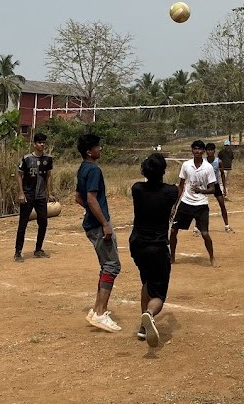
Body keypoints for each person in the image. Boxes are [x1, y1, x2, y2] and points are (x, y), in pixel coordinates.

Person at [130, 154, 179, 347]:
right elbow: (175, 194)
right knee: (158, 294)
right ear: (163, 171)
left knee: (147, 281)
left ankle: (143, 328)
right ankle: (149, 314)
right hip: (157, 247)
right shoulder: (171, 192)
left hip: (137, 245)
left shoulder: (137, 189)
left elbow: (146, 185)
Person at [75, 133, 122, 333]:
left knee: (106, 265)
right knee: (112, 265)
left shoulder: (83, 168)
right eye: (97, 147)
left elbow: (78, 197)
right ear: (89, 151)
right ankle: (101, 313)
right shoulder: (94, 170)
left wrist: (91, 213)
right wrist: (104, 222)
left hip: (91, 222)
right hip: (97, 224)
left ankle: (96, 310)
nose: (100, 149)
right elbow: (90, 198)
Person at [170, 140, 219, 267]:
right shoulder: (186, 165)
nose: (197, 151)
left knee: (205, 234)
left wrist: (201, 191)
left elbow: (213, 189)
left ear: (203, 151)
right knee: (174, 230)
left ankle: (212, 257)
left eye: (199, 149)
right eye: (195, 148)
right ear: (192, 150)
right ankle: (172, 257)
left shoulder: (208, 168)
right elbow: (181, 186)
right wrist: (175, 205)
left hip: (201, 205)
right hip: (186, 202)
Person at [14, 133, 54, 262]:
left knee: (43, 222)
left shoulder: (48, 159)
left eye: (43, 143)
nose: (42, 145)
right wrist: (21, 192)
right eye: (39, 142)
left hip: (40, 196)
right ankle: (18, 252)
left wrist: (50, 193)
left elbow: (48, 176)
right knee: (23, 223)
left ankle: (38, 249)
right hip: (28, 194)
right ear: (34, 144)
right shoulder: (26, 159)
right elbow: (19, 175)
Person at [205, 142, 234, 233]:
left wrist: (224, 187)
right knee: (201, 206)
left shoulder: (218, 161)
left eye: (212, 150)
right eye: (208, 150)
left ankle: (227, 225)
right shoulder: (203, 161)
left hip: (215, 185)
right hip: (205, 185)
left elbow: (222, 175)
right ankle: (197, 227)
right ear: (206, 151)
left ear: (214, 151)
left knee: (222, 204)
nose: (210, 152)